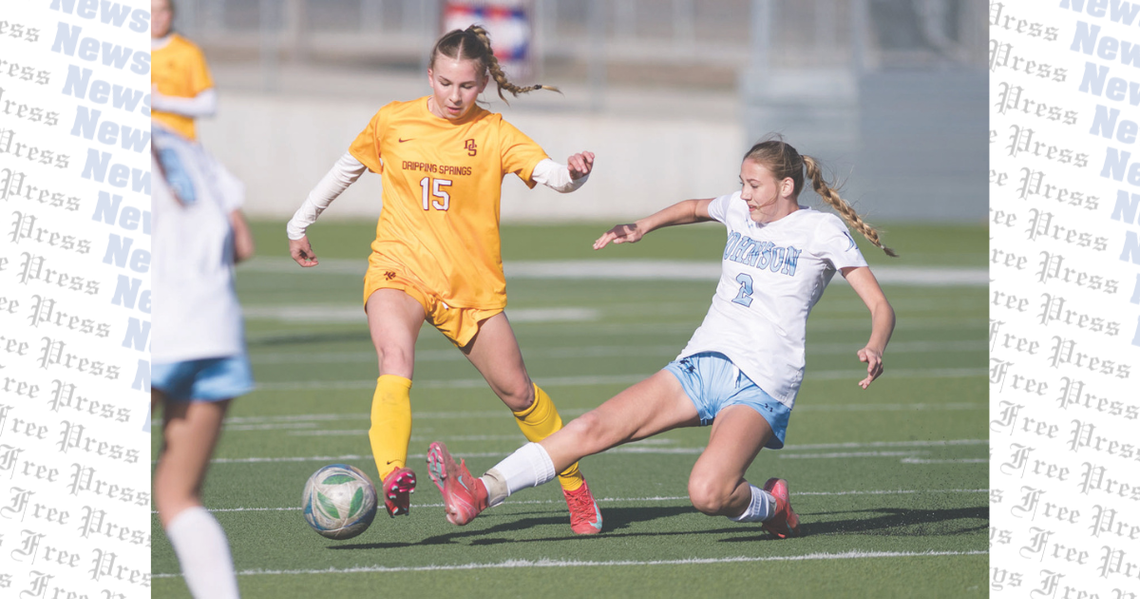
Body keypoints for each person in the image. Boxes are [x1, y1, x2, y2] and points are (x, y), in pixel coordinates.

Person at [426, 137, 897, 538]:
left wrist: (875, 345)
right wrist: (643, 226)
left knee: (709, 493)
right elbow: (693, 208)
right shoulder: (739, 209)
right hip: (701, 364)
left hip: (761, 383)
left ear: (787, 186)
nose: (744, 194)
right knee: (592, 427)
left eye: (754, 185)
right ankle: (481, 490)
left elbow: (881, 306)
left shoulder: (820, 230)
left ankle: (773, 506)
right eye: (742, 183)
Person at [285, 25, 603, 534]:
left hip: (470, 288)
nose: (455, 96)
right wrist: (299, 223)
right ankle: (392, 474)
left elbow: (553, 176)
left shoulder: (495, 133)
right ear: (429, 76)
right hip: (400, 268)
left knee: (520, 394)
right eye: (446, 83)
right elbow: (347, 168)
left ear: (483, 84)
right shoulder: (393, 120)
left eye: (467, 86)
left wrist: (575, 174)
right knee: (395, 358)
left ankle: (575, 488)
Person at [151, 131, 254, 598]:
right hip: (215, 329)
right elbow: (242, 243)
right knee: (179, 497)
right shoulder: (187, 148)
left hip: (151, 327)